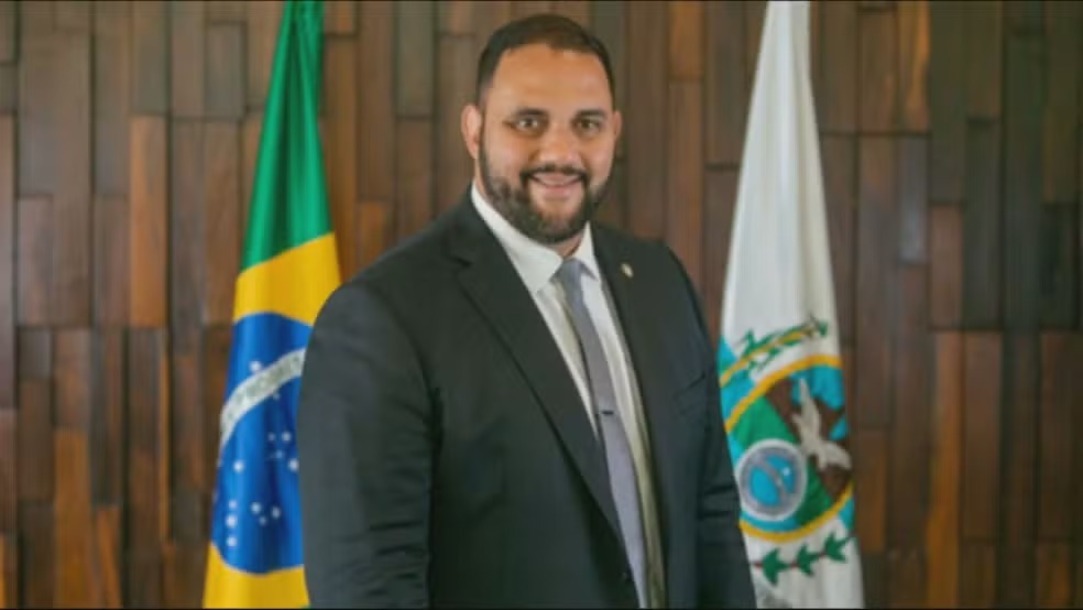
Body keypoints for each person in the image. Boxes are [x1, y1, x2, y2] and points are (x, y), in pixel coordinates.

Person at [296, 13, 755, 609]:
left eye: (587, 124)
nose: (560, 151)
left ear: (615, 131)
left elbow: (711, 516)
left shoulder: (661, 283)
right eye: (528, 122)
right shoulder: (382, 320)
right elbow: (368, 590)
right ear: (474, 130)